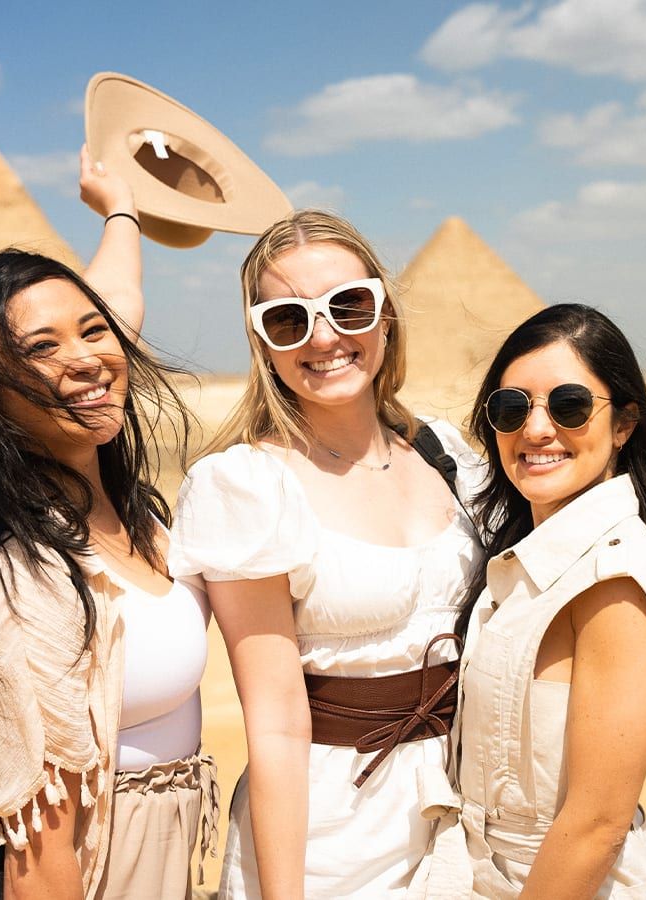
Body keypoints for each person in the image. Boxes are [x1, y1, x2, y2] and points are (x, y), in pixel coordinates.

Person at [0, 163, 217, 900]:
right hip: (83, 870)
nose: (86, 359)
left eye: (93, 332)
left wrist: (121, 211)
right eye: (40, 350)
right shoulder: (19, 576)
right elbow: (40, 858)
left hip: (151, 858)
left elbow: (112, 312)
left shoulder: (123, 503)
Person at [166, 210, 486, 899]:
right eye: (288, 319)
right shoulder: (247, 488)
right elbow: (277, 725)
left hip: (464, 815)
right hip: (332, 836)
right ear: (261, 340)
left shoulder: (449, 455)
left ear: (385, 312)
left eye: (348, 305)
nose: (325, 336)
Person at [420, 303, 646, 898]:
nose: (536, 430)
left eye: (570, 405)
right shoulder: (530, 559)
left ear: (625, 424)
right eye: (511, 408)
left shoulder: (613, 584)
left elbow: (594, 828)